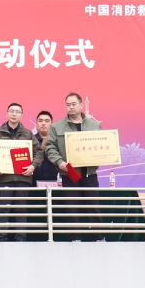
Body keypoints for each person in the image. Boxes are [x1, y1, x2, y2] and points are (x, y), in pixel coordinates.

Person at [46, 92, 106, 242]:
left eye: (74, 104)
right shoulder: (56, 126)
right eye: (68, 105)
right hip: (69, 172)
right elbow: (50, 147)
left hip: (89, 172)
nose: (71, 107)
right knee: (72, 205)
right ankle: (75, 238)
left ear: (81, 105)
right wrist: (59, 162)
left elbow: (102, 145)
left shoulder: (94, 125)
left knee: (93, 205)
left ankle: (98, 237)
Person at [0, 102, 44, 242]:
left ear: (22, 115)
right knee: (3, 209)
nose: (14, 114)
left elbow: (38, 152)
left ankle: (21, 239)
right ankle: (1, 239)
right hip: (4, 178)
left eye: (17, 112)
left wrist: (33, 166)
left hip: (23, 178)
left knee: (21, 209)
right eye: (12, 111)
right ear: (7, 114)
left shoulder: (28, 134)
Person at [32, 111, 59, 186]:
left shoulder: (57, 140)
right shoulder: (30, 140)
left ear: (51, 124)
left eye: (47, 121)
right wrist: (41, 150)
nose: (43, 123)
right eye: (40, 121)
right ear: (36, 124)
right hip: (33, 181)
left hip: (54, 180)